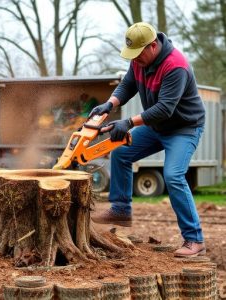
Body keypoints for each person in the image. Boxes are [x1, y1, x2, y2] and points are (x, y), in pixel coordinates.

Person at [89, 22, 206, 258]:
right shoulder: (139, 59)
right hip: (157, 126)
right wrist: (109, 105)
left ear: (153, 46)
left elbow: (164, 109)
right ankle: (121, 209)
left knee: (173, 175)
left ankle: (194, 239)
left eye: (138, 55)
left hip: (184, 127)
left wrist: (128, 122)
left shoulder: (176, 66)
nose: (135, 60)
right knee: (120, 152)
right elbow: (127, 85)